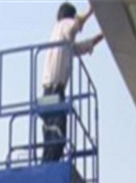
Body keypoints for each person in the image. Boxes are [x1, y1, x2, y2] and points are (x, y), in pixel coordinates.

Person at [41, 2, 104, 162]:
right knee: (57, 136)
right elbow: (75, 25)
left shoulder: (63, 41)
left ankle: (48, 164)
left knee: (53, 136)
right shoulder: (62, 25)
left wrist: (101, 36)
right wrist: (90, 11)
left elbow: (80, 47)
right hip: (53, 91)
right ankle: (48, 166)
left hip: (52, 91)